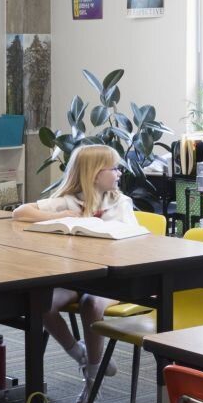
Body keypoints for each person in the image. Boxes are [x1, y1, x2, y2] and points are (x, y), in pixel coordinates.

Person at [13, 144, 133, 390]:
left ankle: (92, 377)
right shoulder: (69, 201)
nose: (120, 173)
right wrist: (63, 216)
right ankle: (81, 355)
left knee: (92, 303)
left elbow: (136, 240)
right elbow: (20, 212)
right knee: (41, 303)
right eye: (114, 168)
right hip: (75, 278)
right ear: (95, 174)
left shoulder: (122, 204)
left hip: (111, 280)